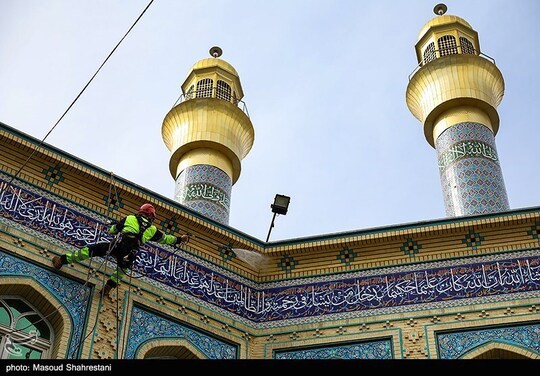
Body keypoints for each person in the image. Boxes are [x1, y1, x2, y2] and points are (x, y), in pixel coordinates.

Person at [52, 203, 190, 295]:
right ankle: (108, 288)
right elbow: (167, 239)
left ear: (140, 212)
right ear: (152, 217)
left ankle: (62, 260)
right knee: (121, 270)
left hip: (118, 244)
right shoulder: (153, 229)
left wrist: (113, 227)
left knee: (90, 250)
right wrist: (180, 239)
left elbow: (113, 230)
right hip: (131, 252)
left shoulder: (130, 218)